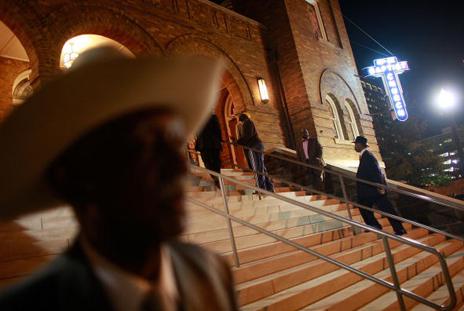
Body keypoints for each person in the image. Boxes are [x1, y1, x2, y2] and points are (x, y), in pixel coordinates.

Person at [0, 46, 238, 310]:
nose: (179, 168)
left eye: (174, 143)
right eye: (144, 144)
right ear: (69, 178)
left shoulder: (212, 272)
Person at [354, 136, 406, 235]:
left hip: (372, 189)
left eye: (356, 144)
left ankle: (396, 228)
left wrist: (379, 186)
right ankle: (376, 226)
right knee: (366, 207)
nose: (355, 147)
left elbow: (376, 171)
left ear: (359, 145)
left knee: (385, 209)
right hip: (368, 190)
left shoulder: (368, 156)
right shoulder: (365, 155)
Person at [236, 113, 274, 192]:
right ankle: (269, 187)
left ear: (242, 119)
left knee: (257, 167)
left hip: (254, 147)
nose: (240, 123)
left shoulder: (247, 122)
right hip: (257, 146)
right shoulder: (248, 122)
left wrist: (238, 142)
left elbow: (247, 136)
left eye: (240, 120)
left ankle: (261, 188)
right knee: (261, 167)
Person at [195, 114, 223, 188]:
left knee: (208, 162)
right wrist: (220, 140)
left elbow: (197, 131)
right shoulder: (213, 117)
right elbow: (218, 129)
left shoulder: (198, 117)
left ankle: (215, 178)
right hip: (212, 143)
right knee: (215, 162)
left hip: (204, 144)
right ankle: (217, 178)